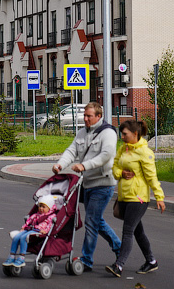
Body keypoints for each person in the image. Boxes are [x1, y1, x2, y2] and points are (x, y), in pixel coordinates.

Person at [52, 101, 122, 272]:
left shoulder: (108, 133)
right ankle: (119, 247)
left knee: (91, 220)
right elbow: (71, 151)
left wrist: (85, 166)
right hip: (87, 184)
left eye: (89, 116)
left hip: (103, 183)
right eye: (84, 115)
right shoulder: (82, 132)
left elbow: (107, 155)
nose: (85, 119)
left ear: (99, 116)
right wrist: (60, 165)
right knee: (95, 219)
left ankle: (86, 260)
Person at [106, 119, 165, 277]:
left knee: (128, 231)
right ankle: (151, 261)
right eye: (121, 134)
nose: (122, 137)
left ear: (135, 134)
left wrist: (159, 197)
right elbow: (115, 165)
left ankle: (119, 265)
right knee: (138, 232)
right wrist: (121, 173)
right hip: (124, 196)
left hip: (138, 198)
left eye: (125, 134)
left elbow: (152, 177)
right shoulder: (123, 149)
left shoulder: (145, 153)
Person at [4, 195, 57, 267]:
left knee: (23, 238)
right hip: (30, 229)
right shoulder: (36, 215)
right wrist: (23, 227)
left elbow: (50, 225)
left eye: (43, 207)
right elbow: (28, 221)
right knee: (16, 237)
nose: (41, 208)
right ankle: (12, 256)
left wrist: (45, 231)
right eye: (40, 206)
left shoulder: (51, 216)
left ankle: (21, 257)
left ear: (49, 208)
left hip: (38, 231)